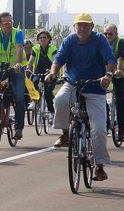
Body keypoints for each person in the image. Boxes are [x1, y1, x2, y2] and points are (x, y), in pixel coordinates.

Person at [46, 13, 117, 181]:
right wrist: (52, 73)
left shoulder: (99, 39)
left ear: (92, 27)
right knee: (60, 99)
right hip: (73, 83)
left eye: (86, 25)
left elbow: (110, 59)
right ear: (74, 27)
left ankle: (99, 166)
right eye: (79, 25)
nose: (82, 28)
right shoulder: (69, 40)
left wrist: (108, 75)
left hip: (95, 87)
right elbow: (59, 59)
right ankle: (65, 133)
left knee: (99, 129)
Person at [102, 24, 124, 141]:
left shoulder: (121, 42)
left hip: (120, 72)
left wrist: (118, 69)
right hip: (105, 71)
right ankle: (105, 121)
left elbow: (120, 57)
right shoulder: (101, 41)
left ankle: (121, 128)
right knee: (98, 96)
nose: (107, 36)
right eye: (105, 33)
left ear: (116, 34)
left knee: (120, 98)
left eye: (110, 34)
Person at [29, 30, 58, 116]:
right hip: (38, 72)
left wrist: (53, 72)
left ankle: (52, 113)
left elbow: (56, 60)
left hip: (50, 73)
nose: (42, 39)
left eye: (44, 37)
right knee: (34, 82)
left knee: (48, 92)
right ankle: (34, 100)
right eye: (40, 38)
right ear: (38, 40)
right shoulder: (35, 49)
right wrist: (28, 69)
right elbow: (31, 61)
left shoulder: (53, 48)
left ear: (49, 39)